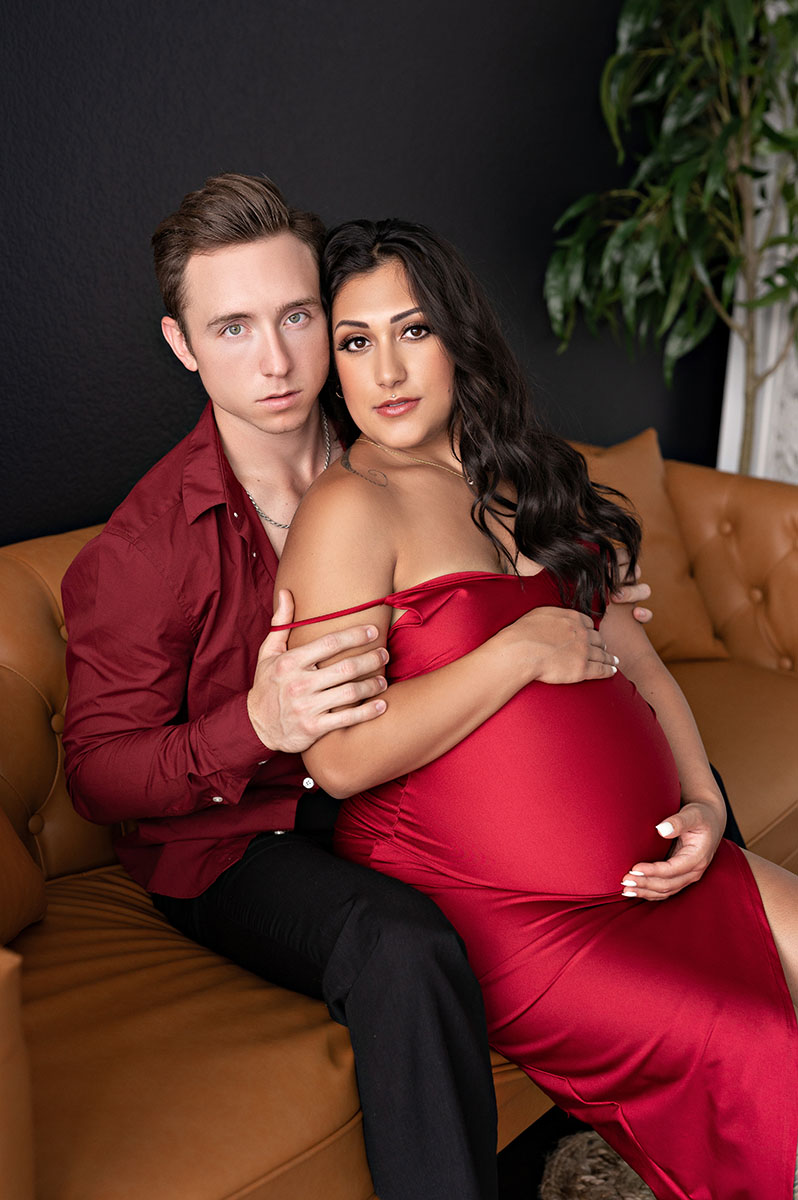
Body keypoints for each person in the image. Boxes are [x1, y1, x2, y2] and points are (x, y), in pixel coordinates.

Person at [60, 173, 659, 1200]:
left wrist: (579, 590)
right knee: (403, 947)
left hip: (397, 786)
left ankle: (665, 1118)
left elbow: (501, 559)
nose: (281, 358)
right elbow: (97, 777)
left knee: (640, 780)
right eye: (234, 327)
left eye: (298, 317)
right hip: (244, 842)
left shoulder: (397, 447)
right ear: (182, 344)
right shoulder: (143, 550)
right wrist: (251, 725)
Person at [274, 217, 798, 1200]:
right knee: (763, 1043)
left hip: (658, 868)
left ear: (459, 336)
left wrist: (705, 806)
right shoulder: (353, 508)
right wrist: (513, 654)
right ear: (330, 367)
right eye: (355, 341)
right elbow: (338, 762)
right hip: (515, 913)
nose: (386, 368)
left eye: (413, 330)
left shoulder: (518, 473)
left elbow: (637, 657)